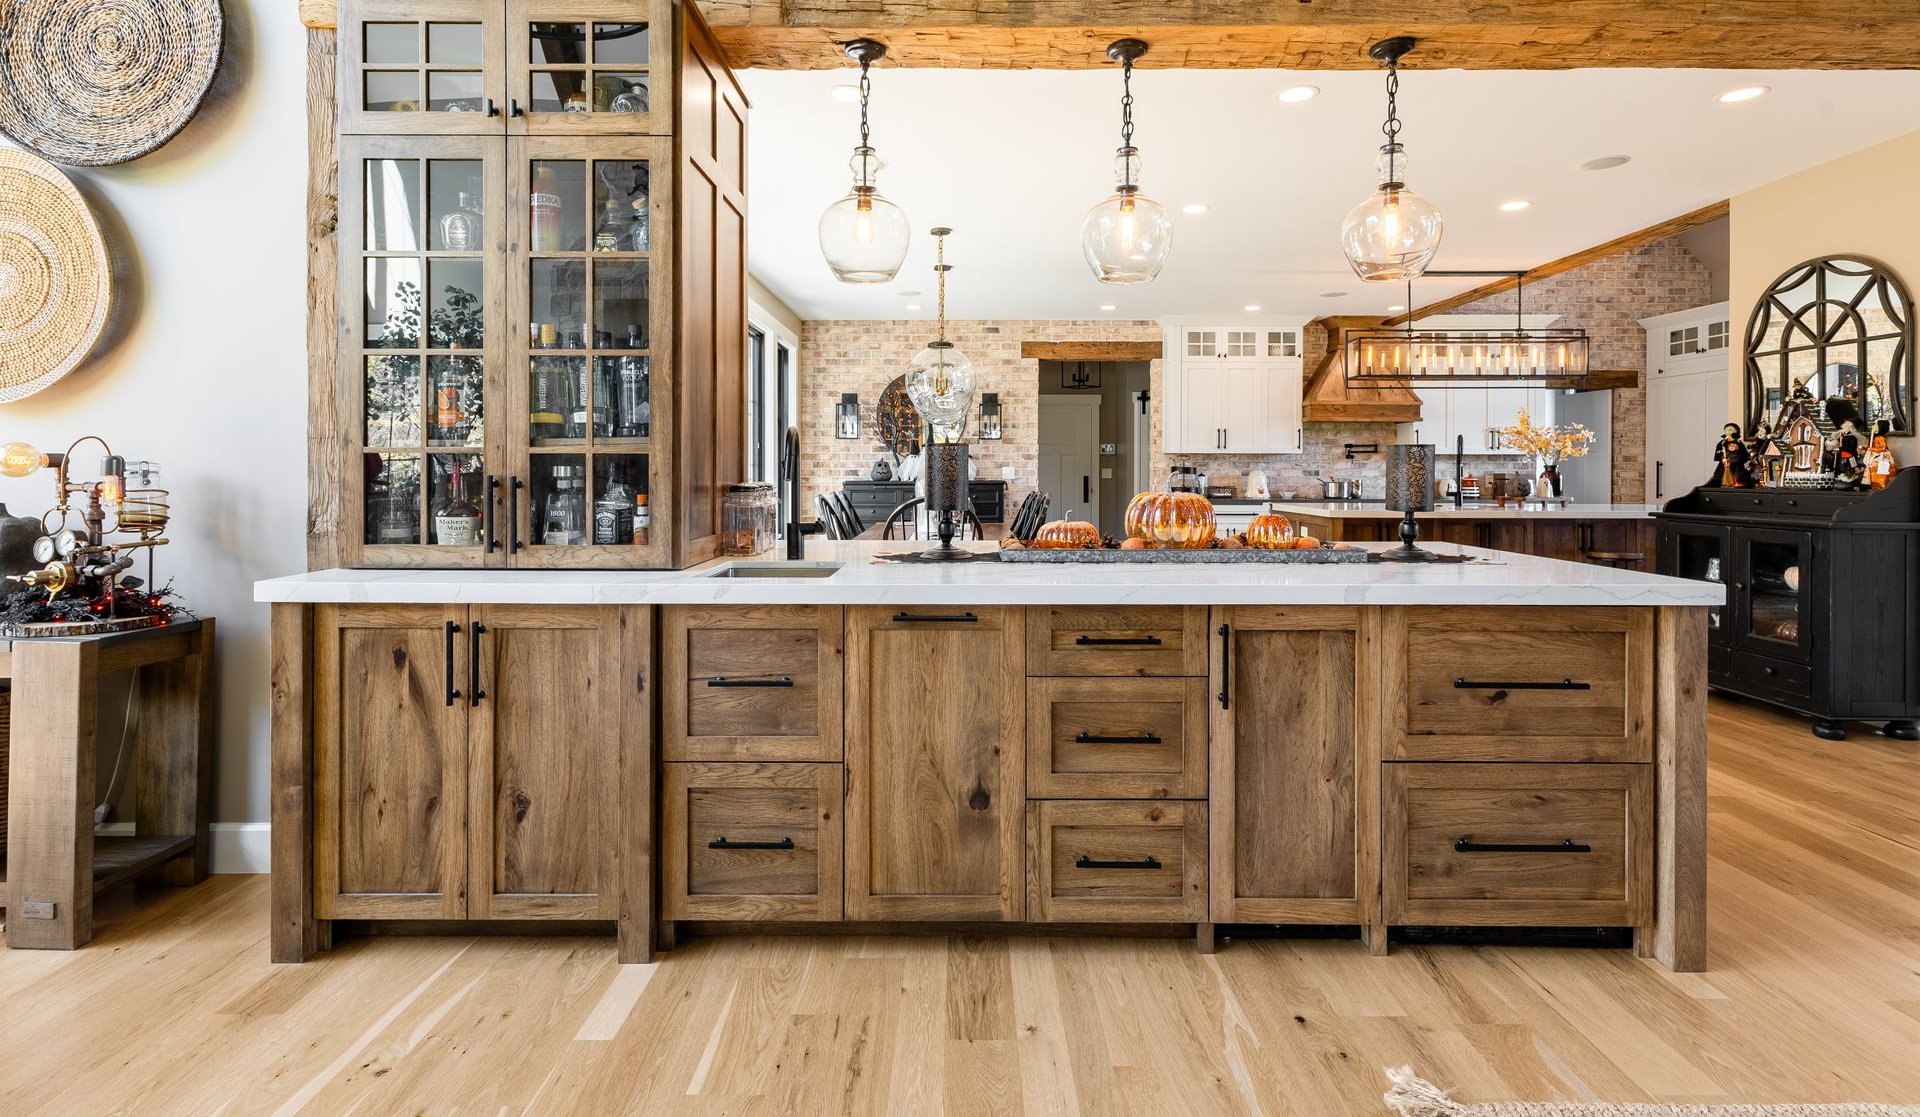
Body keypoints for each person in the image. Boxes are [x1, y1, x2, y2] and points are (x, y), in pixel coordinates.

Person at [1714, 422, 1753, 488]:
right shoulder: (1721, 443)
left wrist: (1741, 457)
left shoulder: (1738, 442)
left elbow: (1744, 453)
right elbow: (1718, 452)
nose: (1729, 431)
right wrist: (1722, 458)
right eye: (1727, 429)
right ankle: (1724, 482)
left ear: (1736, 431)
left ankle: (1738, 482)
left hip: (1736, 462)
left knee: (1738, 473)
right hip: (1725, 462)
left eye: (1731, 429)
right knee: (1722, 474)